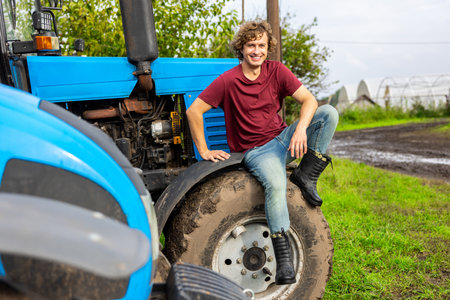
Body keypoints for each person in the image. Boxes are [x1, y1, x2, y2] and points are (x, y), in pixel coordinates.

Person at [186, 20, 338, 285]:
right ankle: (284, 261)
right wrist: (204, 150)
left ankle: (307, 177)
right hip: (257, 152)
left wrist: (301, 129)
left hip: (282, 140)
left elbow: (309, 100)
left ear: (268, 48)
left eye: (261, 45)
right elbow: (194, 111)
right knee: (277, 185)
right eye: (251, 45)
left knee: (328, 113)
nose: (256, 50)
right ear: (242, 48)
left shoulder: (276, 71)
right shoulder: (228, 80)